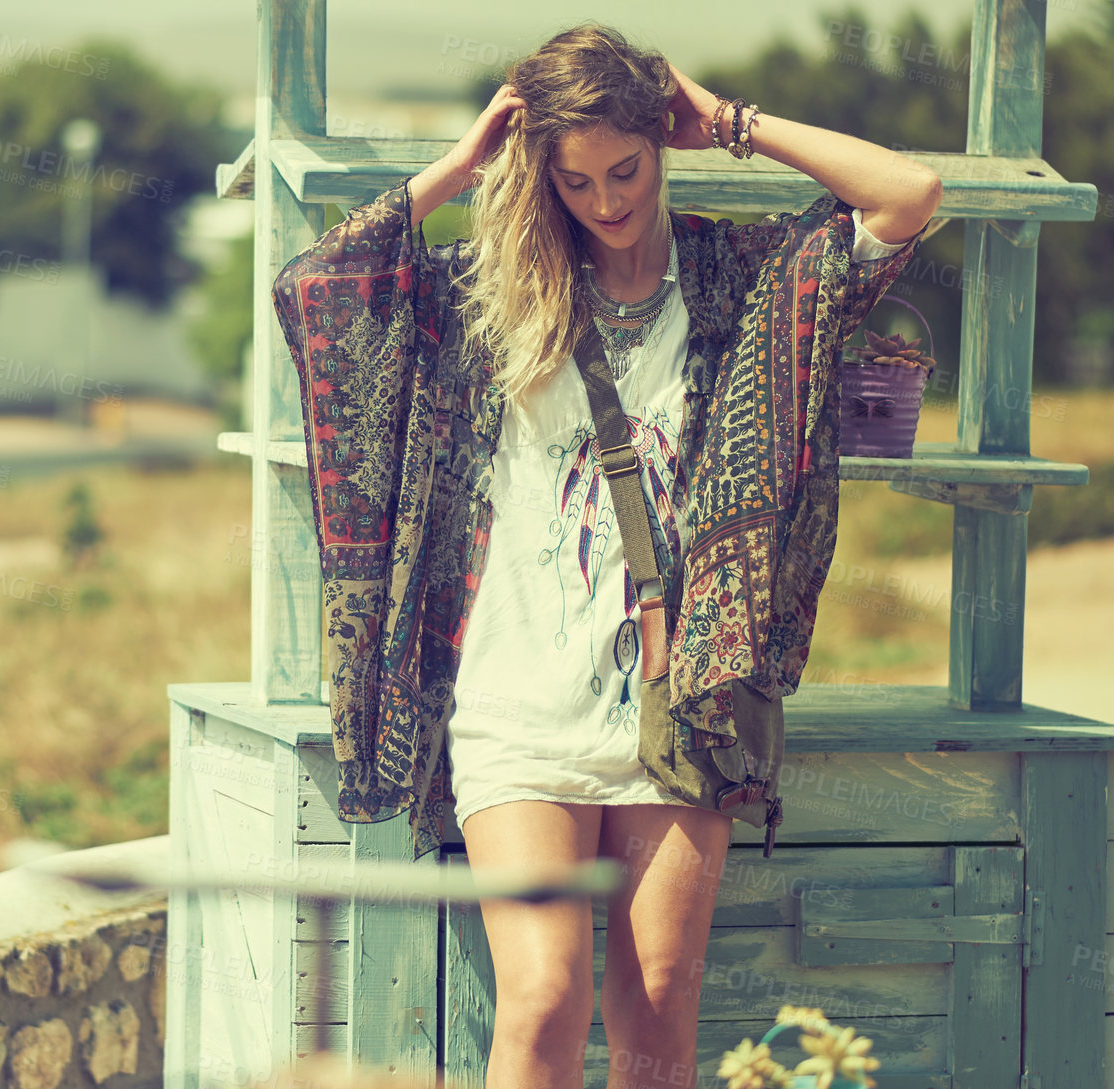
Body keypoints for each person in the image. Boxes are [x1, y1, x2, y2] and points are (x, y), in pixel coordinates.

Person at [271, 22, 938, 1089]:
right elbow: (318, 289)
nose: (605, 200)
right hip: (511, 698)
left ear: (658, 146)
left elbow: (904, 195)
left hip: (679, 704)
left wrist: (728, 121)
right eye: (573, 180)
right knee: (538, 1003)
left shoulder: (740, 280)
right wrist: (462, 161)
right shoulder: (489, 295)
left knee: (657, 1017)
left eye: (624, 169)